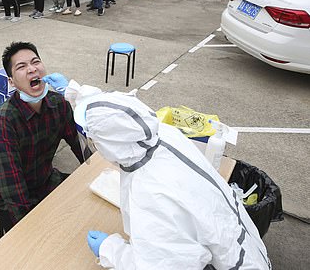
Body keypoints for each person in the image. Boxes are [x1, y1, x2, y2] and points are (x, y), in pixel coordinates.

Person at [72, 89, 271, 270]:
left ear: (110, 141)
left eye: (95, 141)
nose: (96, 148)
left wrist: (110, 250)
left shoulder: (149, 192)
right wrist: (74, 91)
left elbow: (165, 265)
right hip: (243, 247)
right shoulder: (162, 135)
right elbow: (109, 112)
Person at [0, 41, 84, 233]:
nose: (32, 69)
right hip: (11, 199)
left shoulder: (59, 104)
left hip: (46, 181)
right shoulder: (4, 120)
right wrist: (30, 230)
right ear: (11, 81)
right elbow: (12, 188)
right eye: (22, 66)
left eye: (35, 62)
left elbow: (82, 147)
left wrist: (103, 173)